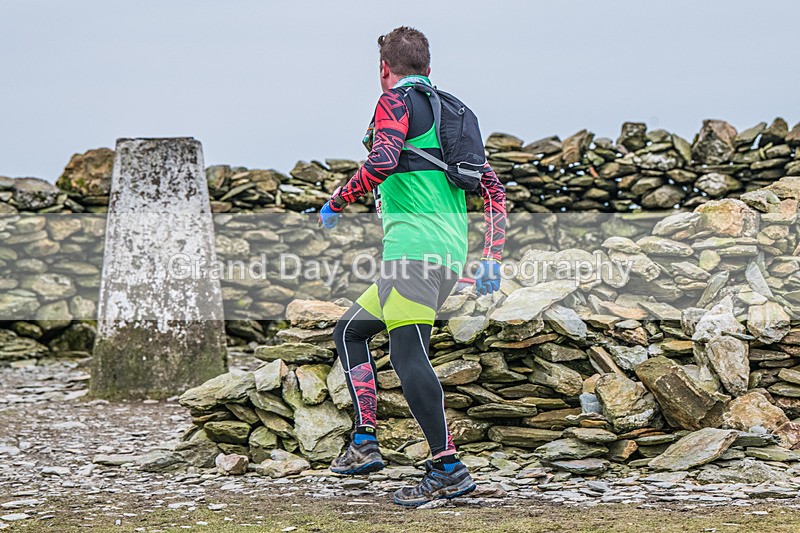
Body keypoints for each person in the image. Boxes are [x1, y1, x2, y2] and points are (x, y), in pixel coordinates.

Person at [317, 26, 507, 507]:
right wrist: (492, 259)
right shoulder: (455, 114)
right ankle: (364, 444)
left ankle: (447, 467)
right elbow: (493, 190)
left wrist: (336, 202)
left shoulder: (393, 103)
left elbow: (380, 161)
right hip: (441, 256)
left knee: (407, 354)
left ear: (385, 69)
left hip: (412, 256)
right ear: (428, 65)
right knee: (350, 332)